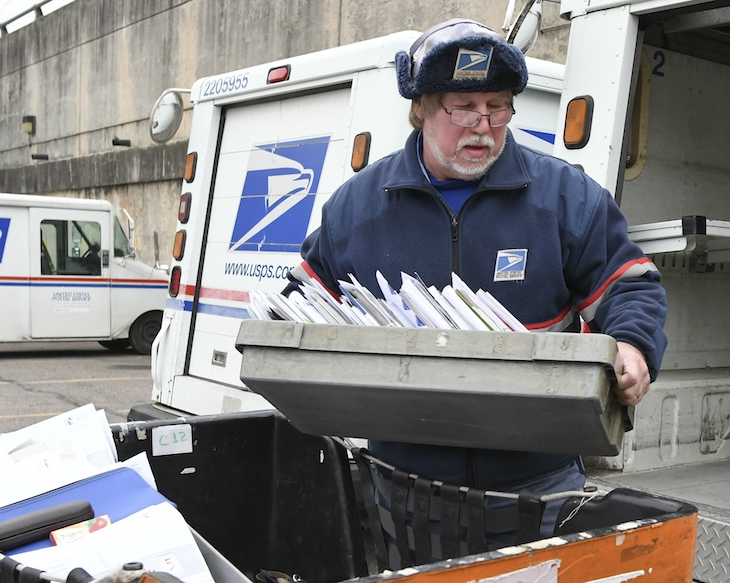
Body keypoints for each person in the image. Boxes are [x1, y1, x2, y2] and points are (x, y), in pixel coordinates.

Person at [283, 18, 667, 547]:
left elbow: (631, 285)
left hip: (540, 486)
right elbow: (298, 305)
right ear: (419, 108)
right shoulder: (358, 207)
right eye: (462, 107)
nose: (482, 125)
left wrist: (632, 344)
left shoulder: (562, 196)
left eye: (498, 106)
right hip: (405, 487)